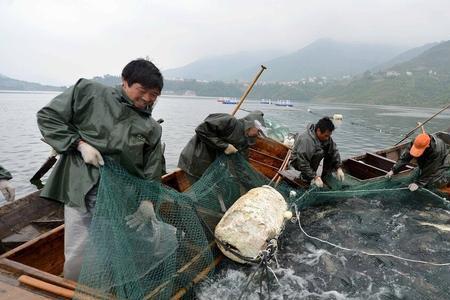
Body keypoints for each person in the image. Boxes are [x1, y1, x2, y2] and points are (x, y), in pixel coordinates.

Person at [37, 58, 164, 280]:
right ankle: (72, 289)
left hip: (120, 193)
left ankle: (118, 283)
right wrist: (79, 144)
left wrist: (148, 201)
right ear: (125, 81)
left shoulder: (151, 127)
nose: (146, 99)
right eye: (142, 90)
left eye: (153, 94)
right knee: (78, 248)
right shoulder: (89, 91)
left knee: (123, 243)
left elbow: (152, 169)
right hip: (80, 184)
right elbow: (48, 118)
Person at [177, 111, 266, 183]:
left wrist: (250, 183)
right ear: (251, 125)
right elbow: (201, 130)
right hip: (194, 160)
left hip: (211, 164)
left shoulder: (245, 140)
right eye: (258, 131)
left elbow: (241, 164)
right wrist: (225, 146)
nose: (258, 135)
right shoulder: (229, 121)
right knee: (197, 192)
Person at [386, 131, 450, 191]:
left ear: (427, 146)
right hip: (427, 159)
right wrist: (393, 170)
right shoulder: (416, 141)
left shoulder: (437, 151)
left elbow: (431, 169)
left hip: (442, 161)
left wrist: (418, 184)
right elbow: (405, 157)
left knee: (433, 181)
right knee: (420, 173)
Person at [290, 117, 344, 188]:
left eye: (329, 136)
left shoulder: (325, 137)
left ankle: (326, 176)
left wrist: (338, 167)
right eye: (326, 136)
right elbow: (302, 162)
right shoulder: (306, 140)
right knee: (319, 153)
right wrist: (315, 176)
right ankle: (306, 178)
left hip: (308, 159)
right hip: (297, 161)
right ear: (318, 130)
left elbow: (334, 150)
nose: (328, 138)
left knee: (329, 150)